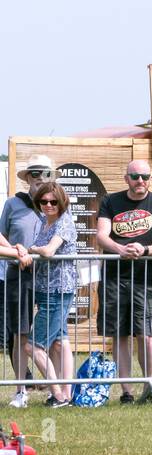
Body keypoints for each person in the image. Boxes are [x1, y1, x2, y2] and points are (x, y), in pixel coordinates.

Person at [95, 159, 152, 404]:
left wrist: (145, 250)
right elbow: (101, 235)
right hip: (114, 276)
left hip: (145, 278)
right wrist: (119, 248)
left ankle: (149, 388)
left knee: (145, 334)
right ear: (126, 178)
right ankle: (126, 391)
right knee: (119, 335)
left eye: (145, 176)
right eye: (136, 176)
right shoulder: (110, 201)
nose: (141, 181)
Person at [0, 156, 50, 407]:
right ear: (27, 177)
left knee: (55, 335)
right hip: (17, 275)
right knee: (19, 333)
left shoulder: (57, 204)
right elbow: (2, 238)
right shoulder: (12, 204)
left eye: (45, 173)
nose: (40, 177)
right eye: (35, 173)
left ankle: (58, 389)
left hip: (50, 277)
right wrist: (18, 251)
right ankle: (22, 390)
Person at [24, 182, 78, 407]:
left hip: (58, 290)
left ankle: (57, 395)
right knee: (59, 342)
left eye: (53, 201)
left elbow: (47, 251)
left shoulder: (64, 221)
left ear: (61, 201)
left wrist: (31, 250)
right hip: (45, 290)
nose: (48, 205)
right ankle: (66, 394)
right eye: (44, 201)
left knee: (32, 346)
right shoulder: (45, 223)